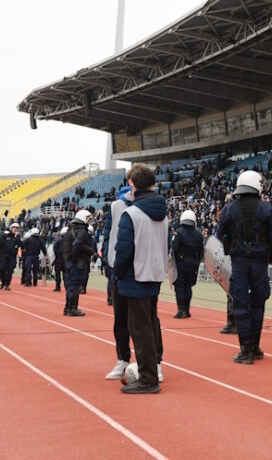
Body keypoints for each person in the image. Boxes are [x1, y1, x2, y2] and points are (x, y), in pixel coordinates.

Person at [216, 170, 272, 364]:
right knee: (258, 304)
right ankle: (255, 346)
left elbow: (219, 237)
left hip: (239, 262)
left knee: (240, 304)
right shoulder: (267, 209)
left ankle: (245, 349)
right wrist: (269, 257)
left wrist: (230, 252)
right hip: (260, 262)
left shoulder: (229, 209)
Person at [114, 164, 169, 393]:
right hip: (154, 275)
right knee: (148, 326)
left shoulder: (132, 213)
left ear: (133, 186)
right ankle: (151, 371)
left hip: (135, 277)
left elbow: (123, 250)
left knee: (139, 330)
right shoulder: (163, 214)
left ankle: (148, 379)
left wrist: (118, 273)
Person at [104, 187, 136, 380]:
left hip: (141, 270)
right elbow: (108, 235)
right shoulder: (116, 207)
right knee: (120, 319)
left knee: (146, 321)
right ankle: (122, 358)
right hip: (119, 270)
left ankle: (152, 362)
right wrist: (110, 263)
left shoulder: (147, 206)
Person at [171, 209, 203, 318]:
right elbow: (201, 251)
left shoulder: (178, 232)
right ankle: (187, 309)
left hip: (181, 263)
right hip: (193, 264)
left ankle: (181, 310)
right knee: (188, 287)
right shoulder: (199, 234)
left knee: (180, 286)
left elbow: (174, 248)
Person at [64, 211, 96, 317]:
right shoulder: (82, 230)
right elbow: (78, 244)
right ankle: (72, 308)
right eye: (87, 219)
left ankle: (68, 307)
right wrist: (75, 258)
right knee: (75, 285)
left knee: (70, 285)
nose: (89, 221)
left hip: (69, 261)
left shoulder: (71, 229)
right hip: (77, 262)